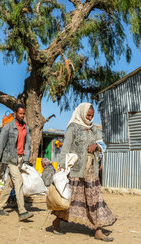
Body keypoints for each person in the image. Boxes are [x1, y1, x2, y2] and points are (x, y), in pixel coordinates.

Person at [52, 103, 116, 242]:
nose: (90, 118)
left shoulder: (93, 129)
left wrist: (96, 146)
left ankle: (98, 231)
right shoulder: (73, 128)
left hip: (91, 169)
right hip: (76, 169)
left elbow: (103, 145)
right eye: (88, 115)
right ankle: (56, 223)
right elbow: (65, 148)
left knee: (96, 197)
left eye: (92, 116)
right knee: (71, 198)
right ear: (82, 113)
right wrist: (62, 166)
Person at [0, 104, 33, 221]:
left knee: (9, 184)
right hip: (11, 159)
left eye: (23, 113)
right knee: (19, 181)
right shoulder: (8, 127)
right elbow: (0, 145)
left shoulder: (26, 127)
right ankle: (22, 211)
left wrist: (26, 158)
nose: (22, 115)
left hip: (20, 159)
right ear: (15, 113)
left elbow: (27, 144)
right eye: (20, 113)